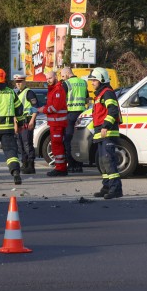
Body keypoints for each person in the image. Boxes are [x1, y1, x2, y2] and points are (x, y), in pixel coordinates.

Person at [88, 67, 123, 199]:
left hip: (108, 132)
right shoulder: (99, 94)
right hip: (100, 133)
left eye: (94, 80)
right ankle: (107, 186)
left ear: (101, 79)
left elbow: (112, 110)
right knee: (102, 162)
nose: (92, 82)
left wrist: (105, 126)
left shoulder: (107, 93)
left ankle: (116, 189)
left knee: (109, 161)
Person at [37, 71, 68, 176]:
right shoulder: (53, 89)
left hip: (58, 123)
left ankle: (60, 168)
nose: (48, 80)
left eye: (50, 78)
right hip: (55, 123)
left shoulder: (58, 89)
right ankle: (60, 167)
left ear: (55, 77)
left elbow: (55, 107)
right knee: (56, 146)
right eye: (47, 78)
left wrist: (42, 110)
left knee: (57, 146)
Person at [61, 66, 88, 173]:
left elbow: (62, 99)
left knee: (68, 141)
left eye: (63, 76)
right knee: (79, 141)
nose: (62, 78)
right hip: (82, 115)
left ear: (67, 74)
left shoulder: (66, 84)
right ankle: (79, 165)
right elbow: (86, 98)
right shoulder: (83, 82)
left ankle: (71, 165)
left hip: (70, 115)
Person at [13, 74, 38, 174]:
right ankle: (24, 164)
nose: (18, 84)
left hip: (27, 122)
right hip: (20, 123)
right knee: (21, 145)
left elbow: (35, 107)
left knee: (27, 144)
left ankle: (31, 166)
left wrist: (32, 120)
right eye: (17, 82)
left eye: (20, 81)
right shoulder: (17, 93)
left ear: (24, 82)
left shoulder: (29, 93)